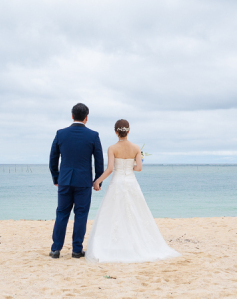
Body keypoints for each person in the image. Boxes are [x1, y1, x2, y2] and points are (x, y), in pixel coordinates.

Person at [85, 119, 180, 263]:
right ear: (128, 131)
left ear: (116, 132)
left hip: (117, 183)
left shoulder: (112, 148)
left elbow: (110, 169)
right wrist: (132, 166)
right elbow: (139, 168)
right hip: (131, 183)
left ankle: (115, 245)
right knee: (134, 213)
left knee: (114, 213)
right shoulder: (135, 148)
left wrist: (97, 180)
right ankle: (134, 244)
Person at [48, 103, 104, 259]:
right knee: (81, 215)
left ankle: (55, 249)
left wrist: (56, 177)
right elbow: (99, 160)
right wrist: (98, 180)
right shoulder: (93, 135)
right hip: (83, 181)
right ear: (86, 117)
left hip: (65, 180)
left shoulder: (61, 134)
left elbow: (53, 158)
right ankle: (76, 250)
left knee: (62, 213)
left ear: (72, 116)